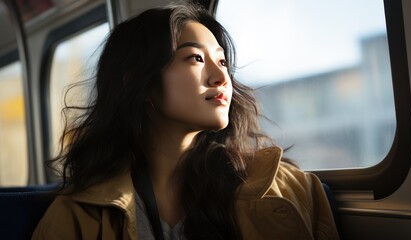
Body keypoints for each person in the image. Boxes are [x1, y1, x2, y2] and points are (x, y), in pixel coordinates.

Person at [32, 1, 340, 239]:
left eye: (222, 61)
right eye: (195, 58)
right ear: (138, 82)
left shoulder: (289, 190)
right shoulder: (77, 218)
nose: (222, 77)